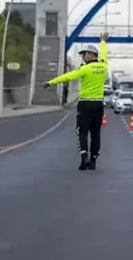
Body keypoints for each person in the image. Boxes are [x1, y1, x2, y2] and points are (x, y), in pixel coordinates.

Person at [43, 33, 109, 170]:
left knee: (82, 132)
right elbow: (104, 55)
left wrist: (50, 82)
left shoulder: (84, 69)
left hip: (85, 104)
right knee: (95, 133)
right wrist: (103, 41)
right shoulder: (104, 66)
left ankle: (84, 157)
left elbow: (68, 76)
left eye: (85, 54)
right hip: (98, 105)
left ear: (91, 55)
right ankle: (94, 160)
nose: (84, 57)